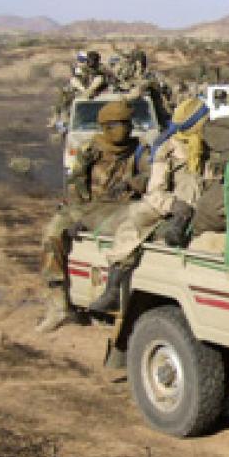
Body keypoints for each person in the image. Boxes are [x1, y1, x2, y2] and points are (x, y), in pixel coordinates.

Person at [88, 98, 210, 313]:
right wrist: (173, 205)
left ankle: (179, 225)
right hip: (167, 203)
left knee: (191, 186)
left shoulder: (208, 147)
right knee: (132, 223)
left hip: (197, 204)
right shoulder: (167, 148)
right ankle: (113, 288)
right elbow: (155, 190)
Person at [36, 101, 146, 332]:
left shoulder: (138, 150)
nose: (124, 129)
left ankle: (108, 305)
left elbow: (150, 177)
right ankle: (58, 305)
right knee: (51, 234)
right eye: (117, 124)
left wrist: (132, 183)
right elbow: (76, 183)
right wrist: (76, 215)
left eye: (127, 124)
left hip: (119, 210)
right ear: (105, 127)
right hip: (87, 208)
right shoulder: (91, 150)